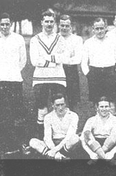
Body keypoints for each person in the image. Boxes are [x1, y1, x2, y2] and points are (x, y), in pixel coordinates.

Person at [30, 9, 71, 138]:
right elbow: (34, 61)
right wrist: (54, 60)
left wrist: (46, 58)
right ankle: (41, 136)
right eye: (46, 21)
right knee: (41, 108)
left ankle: (57, 136)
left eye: (51, 22)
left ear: (55, 23)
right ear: (42, 22)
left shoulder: (60, 38)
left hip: (58, 77)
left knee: (58, 107)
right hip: (40, 78)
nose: (49, 24)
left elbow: (65, 57)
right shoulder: (35, 39)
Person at [81, 17, 116, 113]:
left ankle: (113, 125)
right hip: (95, 74)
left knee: (111, 102)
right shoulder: (88, 43)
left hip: (110, 73)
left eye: (101, 28)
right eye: (97, 29)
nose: (99, 31)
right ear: (93, 29)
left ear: (106, 28)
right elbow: (84, 62)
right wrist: (88, 74)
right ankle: (98, 125)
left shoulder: (113, 41)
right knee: (97, 102)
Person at [0, 12, 27, 152]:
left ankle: (16, 143)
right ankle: (4, 143)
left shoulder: (18, 39)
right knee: (3, 112)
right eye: (2, 24)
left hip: (15, 80)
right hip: (1, 81)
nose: (5, 27)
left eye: (7, 24)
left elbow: (23, 60)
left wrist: (13, 71)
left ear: (10, 24)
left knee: (16, 112)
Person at [29, 93, 80, 160]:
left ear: (65, 104)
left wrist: (55, 150)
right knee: (32, 141)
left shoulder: (73, 115)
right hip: (53, 143)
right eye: (57, 105)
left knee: (75, 138)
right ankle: (60, 156)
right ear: (52, 105)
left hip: (66, 144)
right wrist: (54, 151)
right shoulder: (48, 117)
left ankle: (57, 155)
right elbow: (47, 137)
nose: (60, 108)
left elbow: (69, 136)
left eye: (62, 104)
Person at [59, 14, 83, 111]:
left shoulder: (77, 39)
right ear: (59, 25)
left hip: (71, 71)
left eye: (67, 26)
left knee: (73, 100)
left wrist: (61, 59)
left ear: (71, 27)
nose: (64, 28)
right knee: (58, 99)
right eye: (62, 25)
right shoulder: (54, 38)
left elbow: (77, 58)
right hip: (57, 70)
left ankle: (73, 122)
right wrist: (68, 58)